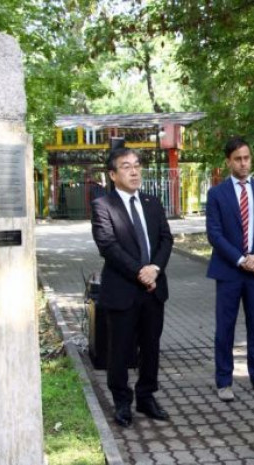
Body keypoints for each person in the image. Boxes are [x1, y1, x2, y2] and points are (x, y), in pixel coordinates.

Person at [91, 147, 174, 428]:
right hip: (122, 289)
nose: (134, 171)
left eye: (137, 165)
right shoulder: (103, 206)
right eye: (126, 166)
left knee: (151, 347)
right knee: (120, 350)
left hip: (153, 289)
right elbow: (108, 246)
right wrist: (141, 272)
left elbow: (166, 239)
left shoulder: (152, 202)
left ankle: (146, 397)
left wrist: (155, 269)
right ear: (113, 175)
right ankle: (122, 402)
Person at [205, 136, 254, 402]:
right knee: (225, 328)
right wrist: (240, 260)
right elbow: (214, 234)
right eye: (238, 159)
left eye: (247, 158)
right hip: (229, 271)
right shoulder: (217, 194)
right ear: (228, 162)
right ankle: (224, 381)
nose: (243, 163)